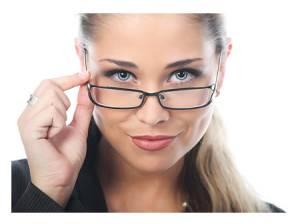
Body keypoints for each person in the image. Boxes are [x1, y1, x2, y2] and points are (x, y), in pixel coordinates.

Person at [12, 13, 284, 212]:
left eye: (181, 74)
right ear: (82, 61)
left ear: (221, 69)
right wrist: (47, 195)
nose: (152, 116)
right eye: (122, 74)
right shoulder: (14, 193)